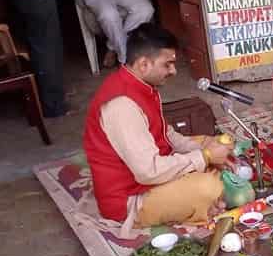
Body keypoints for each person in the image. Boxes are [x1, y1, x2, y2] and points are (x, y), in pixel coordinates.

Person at [83, 23, 230, 228]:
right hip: (130, 199)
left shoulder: (143, 86)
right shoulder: (121, 105)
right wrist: (204, 157)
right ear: (144, 64)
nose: (174, 71)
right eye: (167, 64)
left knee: (207, 142)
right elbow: (148, 171)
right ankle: (202, 201)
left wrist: (204, 149)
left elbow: (166, 134)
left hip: (150, 170)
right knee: (208, 187)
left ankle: (201, 196)